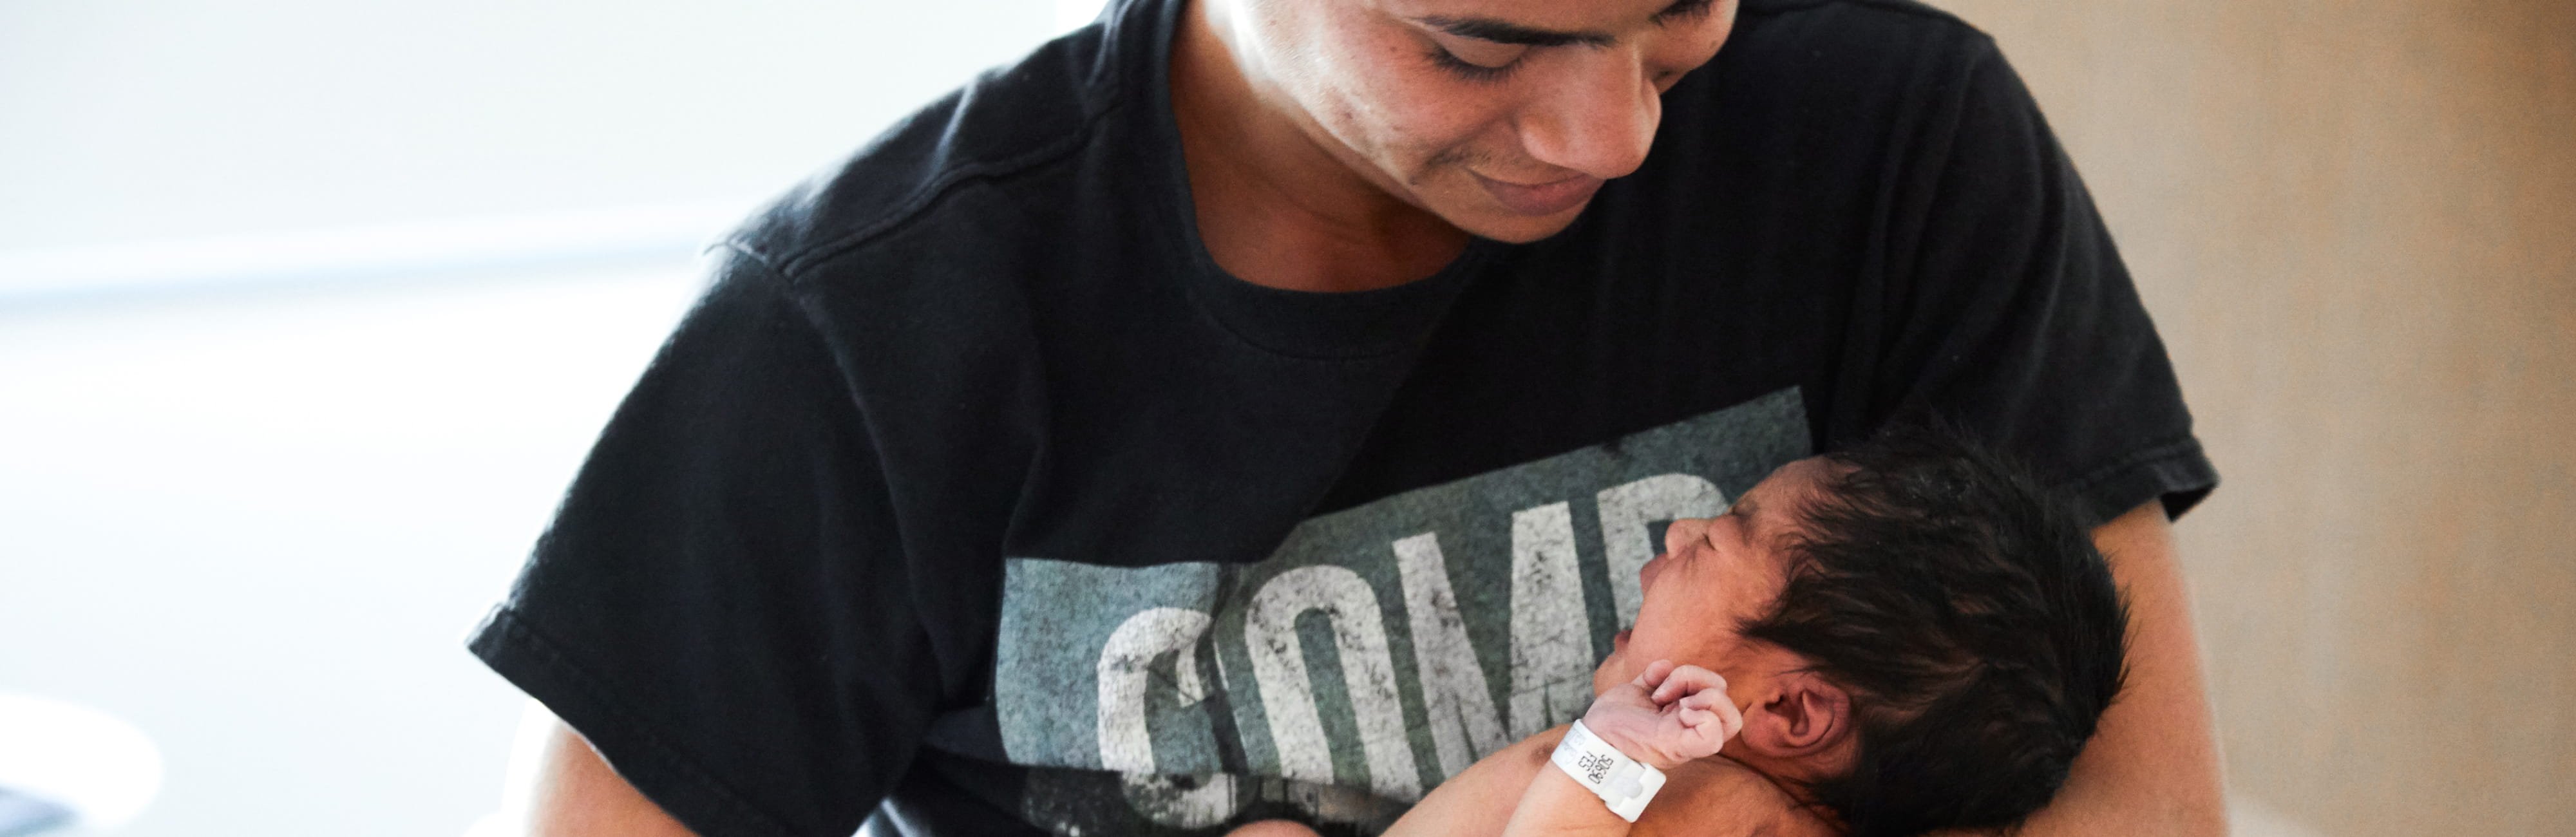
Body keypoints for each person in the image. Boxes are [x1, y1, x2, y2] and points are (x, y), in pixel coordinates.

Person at [469, 0, 2227, 833]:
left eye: (1680, 9)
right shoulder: (859, 337)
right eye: (1478, 45)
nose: (1612, 134)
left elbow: (2125, 806)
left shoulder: (1892, 147)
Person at [1228, 428, 2132, 837]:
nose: (1674, 533)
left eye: (1716, 540)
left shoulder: (1727, 816)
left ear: (1791, 708)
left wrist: (1603, 763)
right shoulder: (1709, 780)